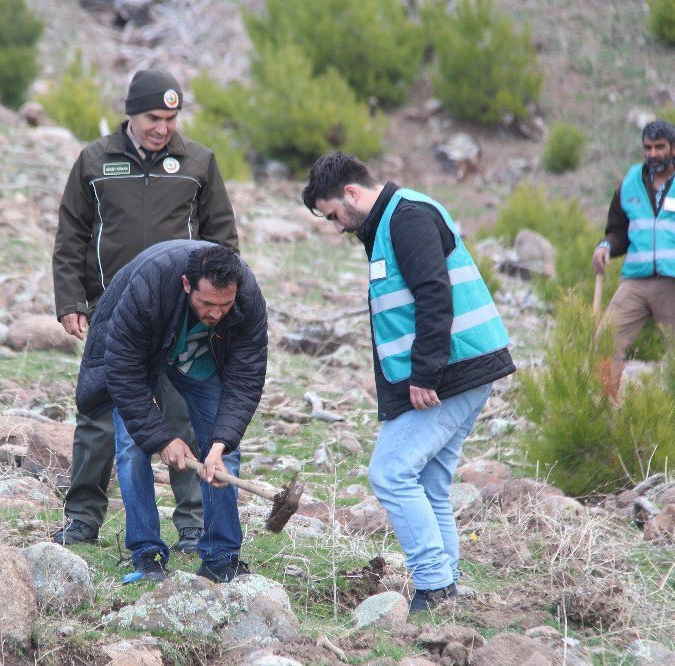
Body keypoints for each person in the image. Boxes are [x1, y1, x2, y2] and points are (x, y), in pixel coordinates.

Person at [301, 153, 515, 614]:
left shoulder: (408, 217)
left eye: (334, 215)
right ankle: (446, 588)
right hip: (459, 371)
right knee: (432, 482)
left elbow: (435, 294)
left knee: (391, 473)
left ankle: (434, 585)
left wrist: (424, 374)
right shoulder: (387, 222)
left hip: (452, 374)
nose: (337, 227)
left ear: (352, 194)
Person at [51, 68, 239, 553]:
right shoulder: (94, 161)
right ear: (131, 113)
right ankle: (82, 519)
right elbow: (71, 236)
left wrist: (214, 305)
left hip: (181, 318)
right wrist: (71, 300)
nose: (163, 127)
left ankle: (193, 525)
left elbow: (223, 239)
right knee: (99, 415)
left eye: (171, 118)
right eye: (154, 117)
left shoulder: (199, 162)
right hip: (112, 313)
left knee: (183, 416)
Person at [75, 241, 267, 582]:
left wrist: (221, 443)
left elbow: (246, 379)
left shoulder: (247, 297)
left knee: (222, 454)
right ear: (186, 285)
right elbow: (123, 370)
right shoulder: (147, 288)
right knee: (133, 446)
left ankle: (221, 556)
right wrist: (162, 439)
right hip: (142, 354)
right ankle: (146, 553)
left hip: (197, 358)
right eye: (206, 303)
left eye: (224, 305)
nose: (215, 314)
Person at [592, 120, 675, 390]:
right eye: (648, 148)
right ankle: (602, 412)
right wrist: (605, 246)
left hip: (672, 282)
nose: (653, 154)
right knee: (605, 342)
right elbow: (618, 231)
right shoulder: (628, 184)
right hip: (636, 283)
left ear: (672, 148)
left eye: (659, 147)